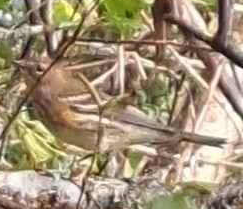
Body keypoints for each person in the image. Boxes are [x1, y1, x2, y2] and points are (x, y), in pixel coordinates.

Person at [18, 57, 225, 153]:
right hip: (108, 136)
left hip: (118, 124)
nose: (28, 74)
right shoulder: (42, 102)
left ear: (52, 75)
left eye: (37, 69)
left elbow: (116, 111)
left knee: (170, 134)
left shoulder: (62, 95)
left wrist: (155, 127)